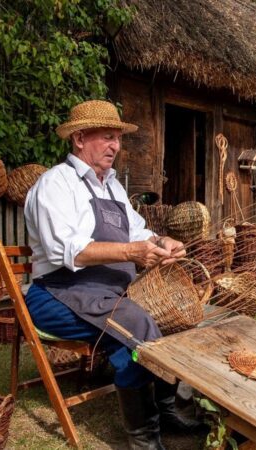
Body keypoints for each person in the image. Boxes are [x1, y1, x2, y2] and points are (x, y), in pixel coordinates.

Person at [24, 100, 200, 450]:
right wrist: (131, 253)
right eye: (107, 137)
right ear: (79, 138)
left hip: (108, 293)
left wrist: (162, 241)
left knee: (167, 319)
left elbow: (137, 231)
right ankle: (144, 438)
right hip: (59, 293)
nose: (115, 146)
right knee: (135, 325)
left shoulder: (112, 187)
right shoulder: (55, 184)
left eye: (117, 138)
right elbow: (67, 250)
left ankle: (167, 408)